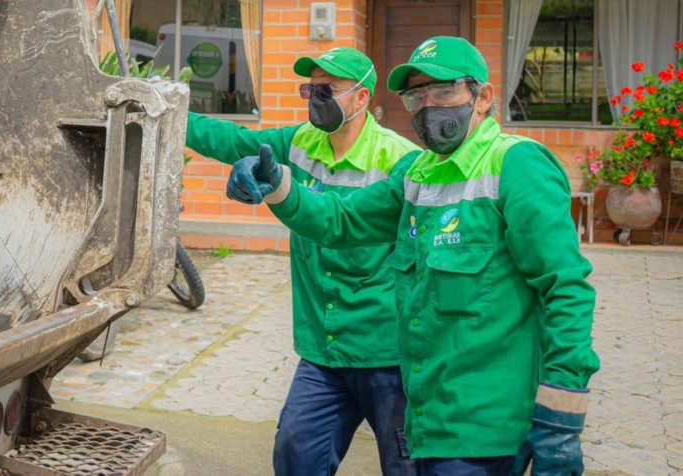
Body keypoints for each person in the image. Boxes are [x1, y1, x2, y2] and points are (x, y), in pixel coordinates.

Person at [226, 36, 599, 476]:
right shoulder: (415, 174)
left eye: (443, 92)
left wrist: (559, 421)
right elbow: (341, 221)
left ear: (482, 98)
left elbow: (566, 290)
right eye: (416, 95)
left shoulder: (516, 165)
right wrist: (280, 186)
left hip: (485, 429)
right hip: (427, 419)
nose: (428, 107)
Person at [186, 46, 419, 476]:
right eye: (310, 88)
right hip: (322, 350)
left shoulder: (400, 160)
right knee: (295, 455)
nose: (315, 97)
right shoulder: (299, 142)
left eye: (327, 90)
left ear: (362, 98)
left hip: (384, 354)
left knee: (406, 466)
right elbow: (228, 140)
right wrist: (168, 114)